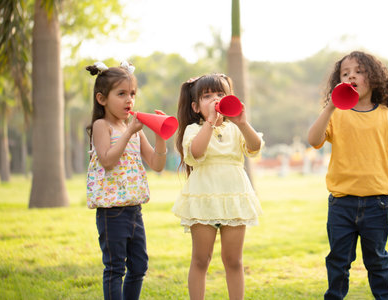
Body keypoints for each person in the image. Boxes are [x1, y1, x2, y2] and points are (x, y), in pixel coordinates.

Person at [307, 51, 388, 300]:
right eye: (345, 73)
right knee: (338, 262)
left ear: (373, 78)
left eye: (358, 71)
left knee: (377, 261)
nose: (351, 75)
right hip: (341, 203)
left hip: (377, 203)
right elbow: (314, 140)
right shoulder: (336, 114)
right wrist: (330, 106)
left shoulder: (387, 116)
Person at [172, 73, 264, 300]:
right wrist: (211, 122)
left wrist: (242, 122)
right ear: (195, 106)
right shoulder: (194, 130)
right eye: (207, 96)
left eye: (220, 94)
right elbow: (196, 152)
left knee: (233, 260)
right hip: (203, 198)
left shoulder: (235, 128)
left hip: (233, 197)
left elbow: (255, 147)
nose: (215, 99)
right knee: (201, 259)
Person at [86, 61, 167, 300]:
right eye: (121, 94)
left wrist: (160, 136)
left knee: (139, 267)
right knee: (115, 269)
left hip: (134, 210)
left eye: (132, 94)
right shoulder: (103, 126)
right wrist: (130, 132)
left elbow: (157, 164)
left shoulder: (135, 129)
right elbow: (107, 160)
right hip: (112, 212)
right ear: (102, 99)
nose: (129, 100)